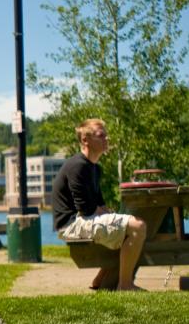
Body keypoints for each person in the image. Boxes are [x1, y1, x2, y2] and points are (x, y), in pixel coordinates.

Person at [52, 118, 147, 291]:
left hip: (82, 218)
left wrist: (111, 215)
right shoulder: (78, 166)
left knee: (127, 225)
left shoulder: (95, 168)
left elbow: (99, 204)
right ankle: (125, 285)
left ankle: (100, 280)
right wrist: (112, 216)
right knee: (138, 226)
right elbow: (87, 208)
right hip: (71, 224)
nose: (106, 139)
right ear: (85, 140)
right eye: (101, 135)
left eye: (106, 135)